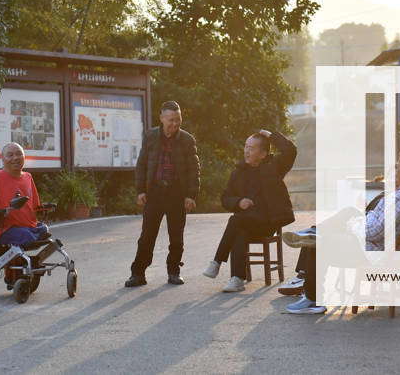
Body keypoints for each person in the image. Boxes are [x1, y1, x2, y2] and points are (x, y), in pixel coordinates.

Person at [284, 147, 400, 314]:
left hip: (373, 251)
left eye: (398, 166)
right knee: (347, 214)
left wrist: (354, 225)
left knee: (318, 243)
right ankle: (310, 235)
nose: (396, 170)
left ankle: (312, 299)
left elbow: (374, 232)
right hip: (390, 251)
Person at [202, 129, 297, 292]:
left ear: (263, 153)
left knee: (236, 221)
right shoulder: (238, 172)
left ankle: (217, 262)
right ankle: (237, 279)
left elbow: (291, 150)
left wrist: (270, 135)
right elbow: (225, 198)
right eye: (246, 147)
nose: (246, 151)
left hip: (268, 222)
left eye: (251, 148)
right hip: (246, 222)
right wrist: (238, 202)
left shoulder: (274, 167)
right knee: (239, 228)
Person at [126, 101, 200, 287]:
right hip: (155, 192)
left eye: (178, 120)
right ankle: (138, 274)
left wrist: (191, 195)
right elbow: (141, 165)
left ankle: (174, 271)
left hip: (177, 192)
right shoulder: (150, 136)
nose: (174, 124)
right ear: (162, 118)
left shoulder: (187, 139)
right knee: (147, 236)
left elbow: (194, 169)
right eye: (171, 120)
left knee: (176, 236)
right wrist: (140, 190)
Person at [0, 142, 49, 290]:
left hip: (27, 226)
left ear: (24, 157)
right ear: (2, 158)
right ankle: (17, 271)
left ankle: (25, 266)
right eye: (10, 155)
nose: (15, 158)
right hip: (5, 228)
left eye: (19, 154)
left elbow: (35, 205)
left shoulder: (28, 177)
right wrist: (9, 208)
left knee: (44, 230)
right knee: (26, 236)